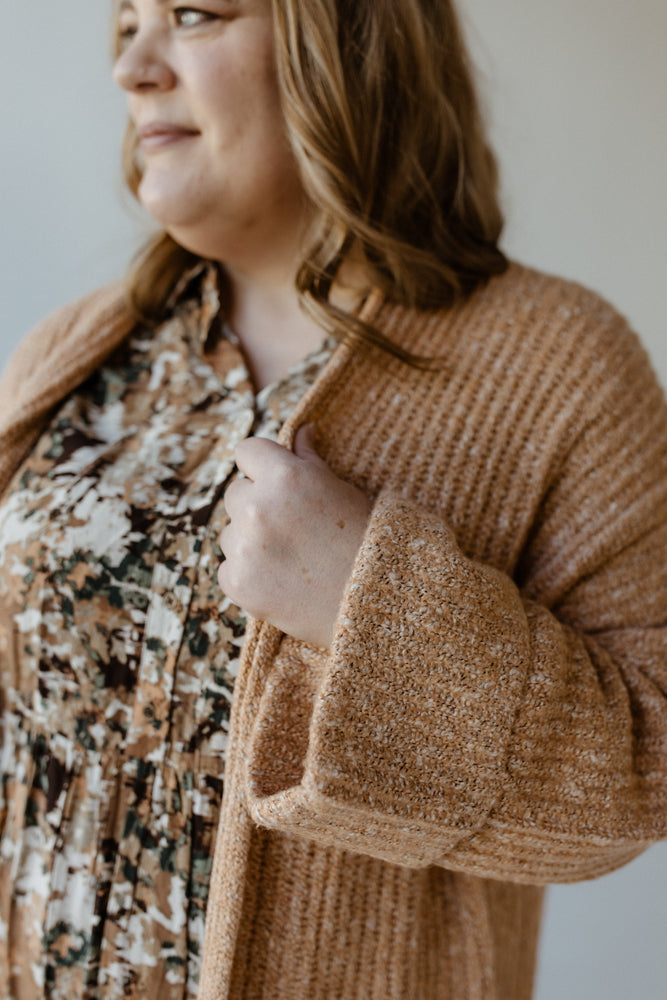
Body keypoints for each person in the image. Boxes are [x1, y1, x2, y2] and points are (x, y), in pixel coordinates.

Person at [0, 0, 665, 998]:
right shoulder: (71, 350)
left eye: (191, 13)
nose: (132, 67)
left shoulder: (558, 364)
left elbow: (639, 775)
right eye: (123, 26)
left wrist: (372, 600)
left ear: (347, 38)